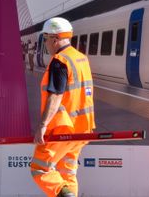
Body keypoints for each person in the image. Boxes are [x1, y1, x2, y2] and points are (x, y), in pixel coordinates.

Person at [30, 17, 96, 197]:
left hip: (63, 129)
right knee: (67, 174)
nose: (46, 44)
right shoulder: (81, 58)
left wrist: (42, 126)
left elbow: (56, 95)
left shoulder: (60, 61)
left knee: (40, 169)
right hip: (83, 129)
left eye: (45, 39)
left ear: (54, 38)